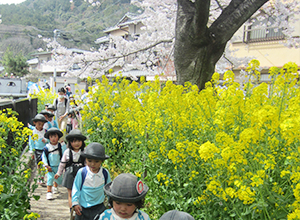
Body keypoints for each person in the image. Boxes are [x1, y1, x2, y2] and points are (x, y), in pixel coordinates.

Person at [72, 142, 111, 220]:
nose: (92, 164)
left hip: (99, 207)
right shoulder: (82, 172)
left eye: (96, 161)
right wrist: (75, 203)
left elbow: (109, 189)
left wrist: (111, 203)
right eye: (89, 161)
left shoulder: (105, 173)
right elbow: (76, 188)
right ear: (85, 160)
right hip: (83, 208)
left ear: (102, 161)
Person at [54, 129, 86, 210]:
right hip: (70, 173)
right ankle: (72, 209)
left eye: (79, 141)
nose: (76, 143)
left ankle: (80, 207)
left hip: (81, 173)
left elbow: (87, 164)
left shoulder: (84, 152)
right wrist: (59, 173)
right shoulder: (67, 152)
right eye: (74, 141)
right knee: (71, 193)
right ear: (70, 143)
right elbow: (62, 164)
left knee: (81, 192)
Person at [42, 127, 66, 200]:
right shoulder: (47, 147)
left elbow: (65, 153)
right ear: (49, 138)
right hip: (50, 166)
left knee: (58, 178)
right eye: (51, 137)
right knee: (50, 178)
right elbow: (44, 157)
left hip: (58, 166)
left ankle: (55, 187)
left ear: (58, 137)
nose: (53, 138)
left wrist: (63, 144)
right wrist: (46, 165)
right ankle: (49, 192)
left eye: (55, 136)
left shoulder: (60, 146)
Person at [28, 114, 48, 184]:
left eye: (42, 124)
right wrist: (32, 152)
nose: (40, 126)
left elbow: (49, 140)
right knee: (38, 164)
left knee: (44, 163)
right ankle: (40, 177)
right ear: (35, 123)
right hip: (37, 150)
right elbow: (31, 143)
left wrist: (45, 140)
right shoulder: (33, 132)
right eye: (39, 124)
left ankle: (43, 176)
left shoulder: (45, 131)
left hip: (44, 150)